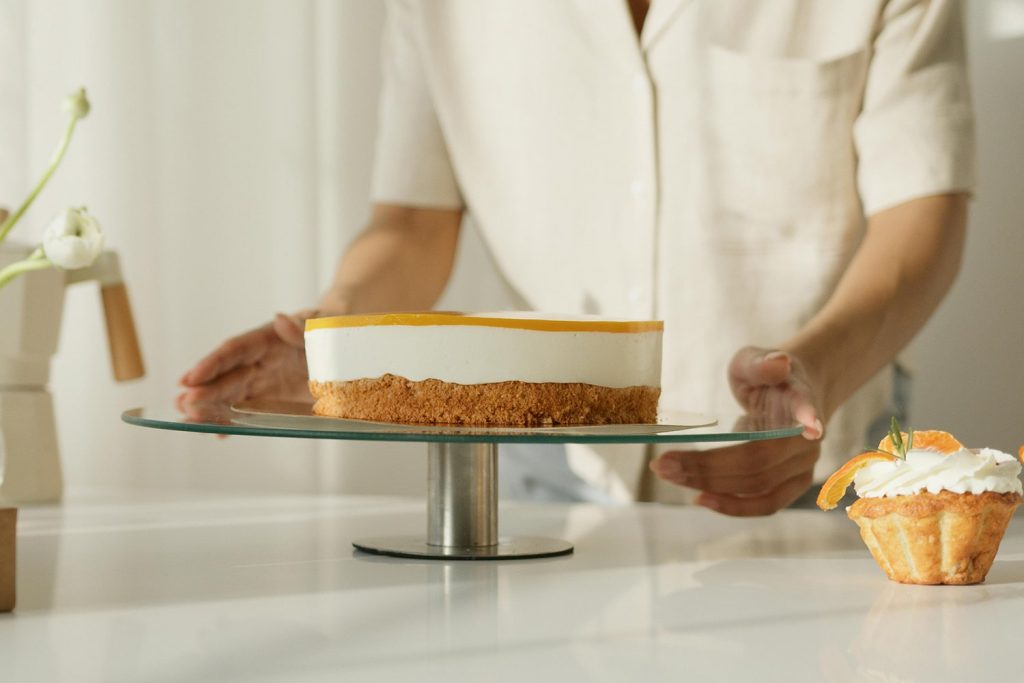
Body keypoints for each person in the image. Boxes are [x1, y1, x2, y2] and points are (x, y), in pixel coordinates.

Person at [179, 0, 973, 516]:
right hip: (540, 472)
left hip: (814, 466)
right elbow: (415, 223)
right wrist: (340, 336)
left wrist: (816, 373)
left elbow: (924, 212)